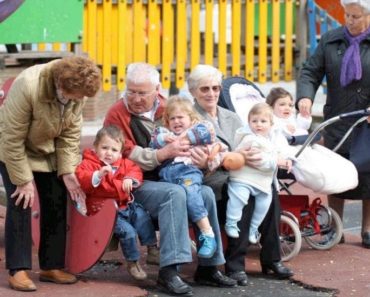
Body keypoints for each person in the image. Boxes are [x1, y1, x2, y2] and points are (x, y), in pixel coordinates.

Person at [104, 62, 236, 296]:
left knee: (204, 193)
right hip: (134, 182)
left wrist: (203, 160)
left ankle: (209, 266)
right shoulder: (117, 114)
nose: (135, 98)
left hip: (170, 175)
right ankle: (169, 271)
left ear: (157, 89)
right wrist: (162, 154)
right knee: (174, 194)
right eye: (131, 91)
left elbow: (199, 136)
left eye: (142, 93)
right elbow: (123, 153)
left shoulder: (168, 108)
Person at [0, 56, 101, 291]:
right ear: (61, 85)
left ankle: (50, 265)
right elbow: (11, 140)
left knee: (57, 197)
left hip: (45, 148)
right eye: (76, 96)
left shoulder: (78, 93)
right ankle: (18, 270)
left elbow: (69, 136)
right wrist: (23, 180)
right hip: (11, 146)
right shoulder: (29, 85)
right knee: (21, 201)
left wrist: (67, 171)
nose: (80, 100)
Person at [187, 64, 294, 286]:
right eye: (204, 89)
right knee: (241, 194)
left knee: (269, 191)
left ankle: (271, 259)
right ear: (193, 92)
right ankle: (235, 265)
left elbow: (251, 141)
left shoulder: (230, 116)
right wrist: (235, 157)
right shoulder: (190, 119)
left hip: (241, 172)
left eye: (215, 88)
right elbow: (202, 158)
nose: (211, 93)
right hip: (211, 179)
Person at [296, 0, 370, 248]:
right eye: (347, 15)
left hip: (367, 120)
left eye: (356, 16)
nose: (349, 20)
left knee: (368, 174)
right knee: (335, 173)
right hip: (337, 117)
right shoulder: (331, 39)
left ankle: (367, 230)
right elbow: (310, 71)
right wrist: (305, 95)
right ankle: (334, 227)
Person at [75, 125, 159, 281]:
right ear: (95, 147)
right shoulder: (89, 164)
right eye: (104, 148)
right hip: (104, 212)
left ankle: (152, 248)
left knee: (143, 217)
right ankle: (133, 262)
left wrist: (129, 179)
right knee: (128, 232)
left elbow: (135, 170)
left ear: (120, 152)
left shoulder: (124, 163)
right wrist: (98, 175)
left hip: (125, 206)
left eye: (114, 150)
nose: (109, 153)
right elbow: (83, 178)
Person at [150, 96, 228, 259]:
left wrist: (183, 139)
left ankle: (207, 233)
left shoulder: (197, 131)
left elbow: (208, 133)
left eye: (181, 117)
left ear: (191, 119)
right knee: (172, 200)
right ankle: (175, 245)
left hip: (188, 173)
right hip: (168, 176)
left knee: (192, 195)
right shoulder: (166, 133)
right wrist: (165, 138)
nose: (177, 121)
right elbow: (154, 142)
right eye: (172, 118)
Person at [224, 103, 292, 244]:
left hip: (261, 182)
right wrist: (277, 162)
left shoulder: (269, 140)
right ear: (249, 123)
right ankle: (231, 221)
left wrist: (286, 160)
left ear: (271, 124)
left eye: (263, 121)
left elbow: (278, 153)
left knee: (264, 203)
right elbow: (258, 160)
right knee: (238, 199)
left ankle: (253, 228)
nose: (258, 125)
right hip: (243, 179)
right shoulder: (250, 138)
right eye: (254, 121)